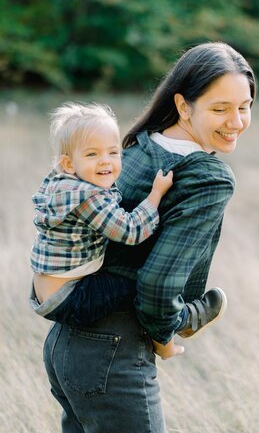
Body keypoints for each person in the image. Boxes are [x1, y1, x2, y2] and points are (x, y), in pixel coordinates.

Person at [42, 42, 256, 433]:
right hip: (113, 352)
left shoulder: (132, 146)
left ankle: (190, 314)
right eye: (220, 108)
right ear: (182, 103)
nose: (236, 121)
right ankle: (190, 315)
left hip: (66, 346)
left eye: (245, 106)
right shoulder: (207, 176)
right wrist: (167, 332)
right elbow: (156, 284)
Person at [30, 101, 174, 332]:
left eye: (113, 152)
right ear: (68, 163)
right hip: (71, 298)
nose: (105, 160)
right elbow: (130, 230)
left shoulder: (63, 183)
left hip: (51, 291)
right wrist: (155, 194)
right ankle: (178, 323)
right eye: (92, 154)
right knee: (147, 286)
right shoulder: (87, 198)